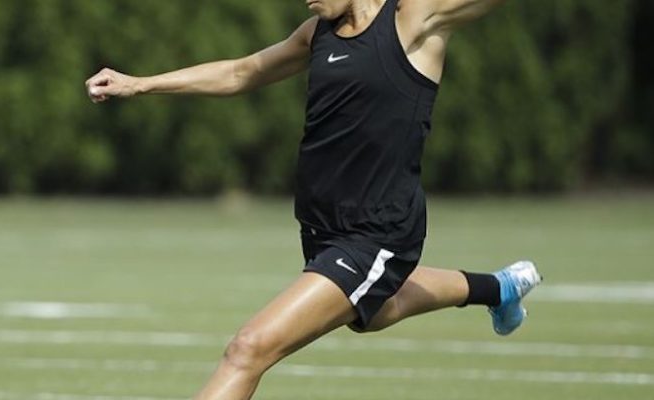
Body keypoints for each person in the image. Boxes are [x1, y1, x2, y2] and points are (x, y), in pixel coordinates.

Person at [85, 0, 541, 398]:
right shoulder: (317, 33)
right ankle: (498, 288)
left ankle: (495, 288)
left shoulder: (413, 19)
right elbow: (243, 71)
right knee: (375, 311)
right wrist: (139, 83)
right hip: (323, 230)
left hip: (376, 232)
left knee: (249, 348)